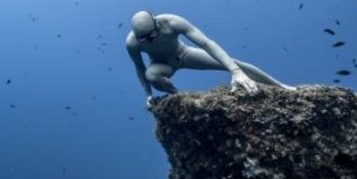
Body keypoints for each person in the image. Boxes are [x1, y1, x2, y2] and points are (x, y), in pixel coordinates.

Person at [126, 10, 296, 110]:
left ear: (156, 23)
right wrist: (148, 95)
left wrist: (235, 72)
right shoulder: (132, 43)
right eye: (144, 39)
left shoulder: (173, 22)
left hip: (184, 54)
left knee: (239, 65)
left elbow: (206, 43)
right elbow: (139, 68)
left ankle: (281, 87)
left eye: (152, 35)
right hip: (163, 65)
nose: (150, 41)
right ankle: (178, 96)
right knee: (151, 74)